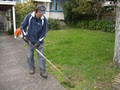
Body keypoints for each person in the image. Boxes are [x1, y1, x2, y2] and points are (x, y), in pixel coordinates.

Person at [20, 4, 48, 78]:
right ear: (36, 11)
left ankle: (42, 71)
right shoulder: (29, 17)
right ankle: (31, 68)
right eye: (40, 12)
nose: (41, 14)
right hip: (30, 41)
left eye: (43, 13)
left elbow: (44, 32)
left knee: (41, 57)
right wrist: (24, 36)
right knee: (29, 56)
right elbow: (22, 26)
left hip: (39, 42)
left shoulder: (43, 19)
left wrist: (39, 42)